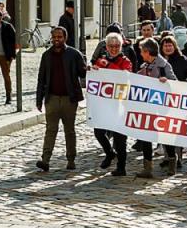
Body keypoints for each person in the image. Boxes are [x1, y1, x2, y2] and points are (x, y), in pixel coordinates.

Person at [35, 27, 87, 172]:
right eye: (54, 37)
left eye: (59, 37)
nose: (56, 39)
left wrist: (90, 67)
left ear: (65, 37)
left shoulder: (74, 54)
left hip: (69, 99)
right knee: (50, 130)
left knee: (69, 130)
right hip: (51, 98)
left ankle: (71, 159)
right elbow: (41, 79)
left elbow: (83, 73)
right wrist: (39, 100)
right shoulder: (46, 55)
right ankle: (45, 160)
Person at [133, 38, 177, 178]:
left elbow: (175, 83)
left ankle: (172, 163)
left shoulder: (164, 66)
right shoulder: (145, 66)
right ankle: (147, 168)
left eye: (142, 51)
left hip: (162, 109)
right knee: (146, 136)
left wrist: (167, 82)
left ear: (147, 52)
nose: (140, 54)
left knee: (165, 136)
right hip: (148, 108)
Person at [91, 33, 133, 175]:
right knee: (98, 132)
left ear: (121, 46)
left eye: (117, 46)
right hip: (104, 104)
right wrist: (93, 71)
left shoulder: (126, 61)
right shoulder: (100, 60)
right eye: (111, 46)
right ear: (106, 47)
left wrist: (109, 65)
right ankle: (109, 153)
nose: (114, 49)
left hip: (120, 104)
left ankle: (121, 167)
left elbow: (124, 76)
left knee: (120, 137)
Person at [160, 36, 187, 174]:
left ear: (174, 46)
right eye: (165, 46)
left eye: (170, 45)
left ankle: (178, 157)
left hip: (179, 99)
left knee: (176, 129)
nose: (168, 48)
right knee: (163, 128)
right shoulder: (158, 61)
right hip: (162, 100)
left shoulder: (183, 60)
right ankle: (167, 156)